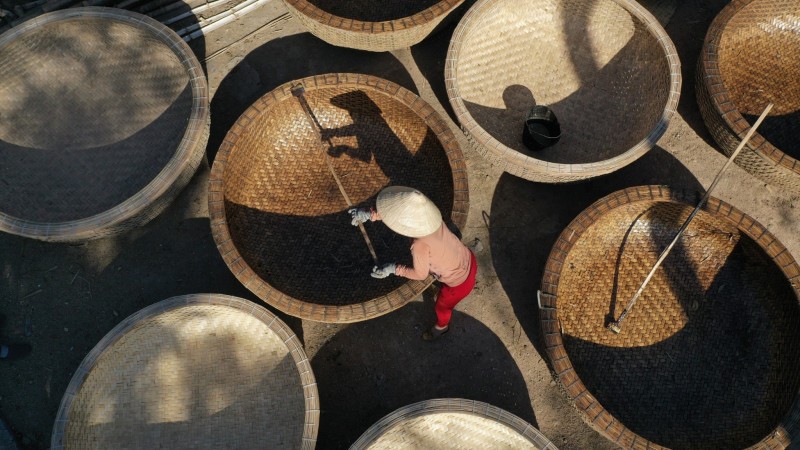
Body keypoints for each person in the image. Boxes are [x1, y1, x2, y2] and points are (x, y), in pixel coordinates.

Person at [350, 186, 477, 341]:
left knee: (442, 306)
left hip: (459, 284)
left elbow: (420, 274)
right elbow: (399, 216)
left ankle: (441, 327)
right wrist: (371, 215)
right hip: (468, 258)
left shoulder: (419, 245)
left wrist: (394, 269)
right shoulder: (432, 219)